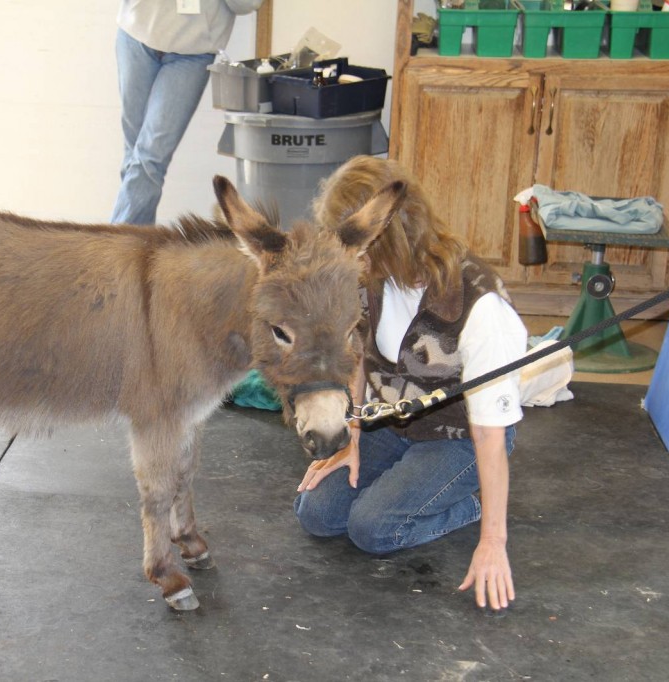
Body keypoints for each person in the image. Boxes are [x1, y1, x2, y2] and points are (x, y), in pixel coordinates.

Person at [293, 156, 528, 612]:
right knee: (316, 514)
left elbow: (488, 435)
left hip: (460, 439)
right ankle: (411, 487)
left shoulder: (479, 306)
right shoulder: (367, 277)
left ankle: (467, 506)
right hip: (394, 426)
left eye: (355, 245)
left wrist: (493, 542)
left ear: (385, 237)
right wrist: (351, 436)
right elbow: (357, 358)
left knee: (374, 530)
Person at [112, 0, 263, 225]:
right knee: (134, 157)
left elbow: (247, 4)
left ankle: (116, 248)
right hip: (135, 35)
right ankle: (136, 245)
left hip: (193, 53)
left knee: (150, 158)